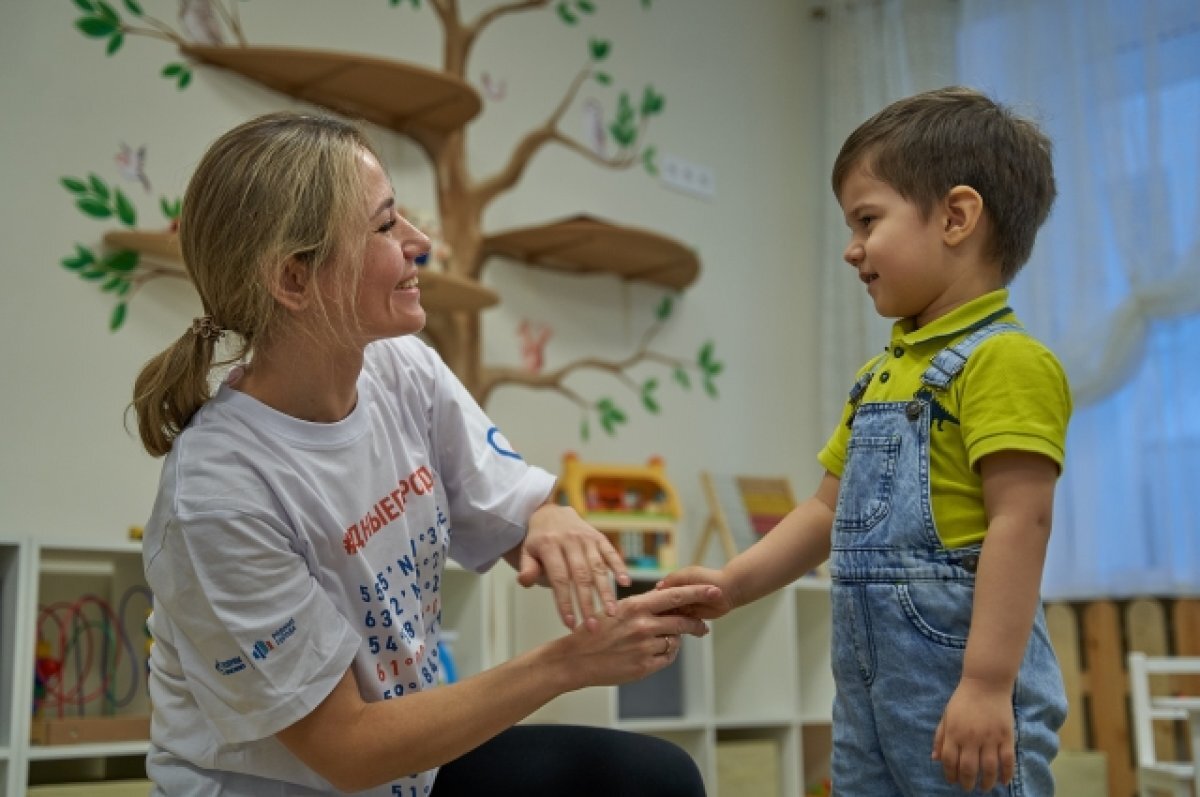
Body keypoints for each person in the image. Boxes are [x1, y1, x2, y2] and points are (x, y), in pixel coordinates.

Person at [130, 110, 718, 797]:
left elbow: (517, 511)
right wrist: (569, 662)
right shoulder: (218, 495)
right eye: (384, 226)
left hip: (409, 776)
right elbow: (346, 749)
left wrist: (550, 522)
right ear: (293, 280)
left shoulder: (401, 367)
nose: (420, 242)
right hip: (321, 777)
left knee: (656, 780)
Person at [661, 86, 1071, 795]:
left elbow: (1020, 522)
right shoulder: (879, 375)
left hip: (962, 698)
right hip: (868, 707)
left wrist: (984, 683)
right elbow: (824, 512)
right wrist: (732, 582)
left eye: (867, 219)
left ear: (956, 216)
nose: (852, 249)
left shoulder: (1006, 360)